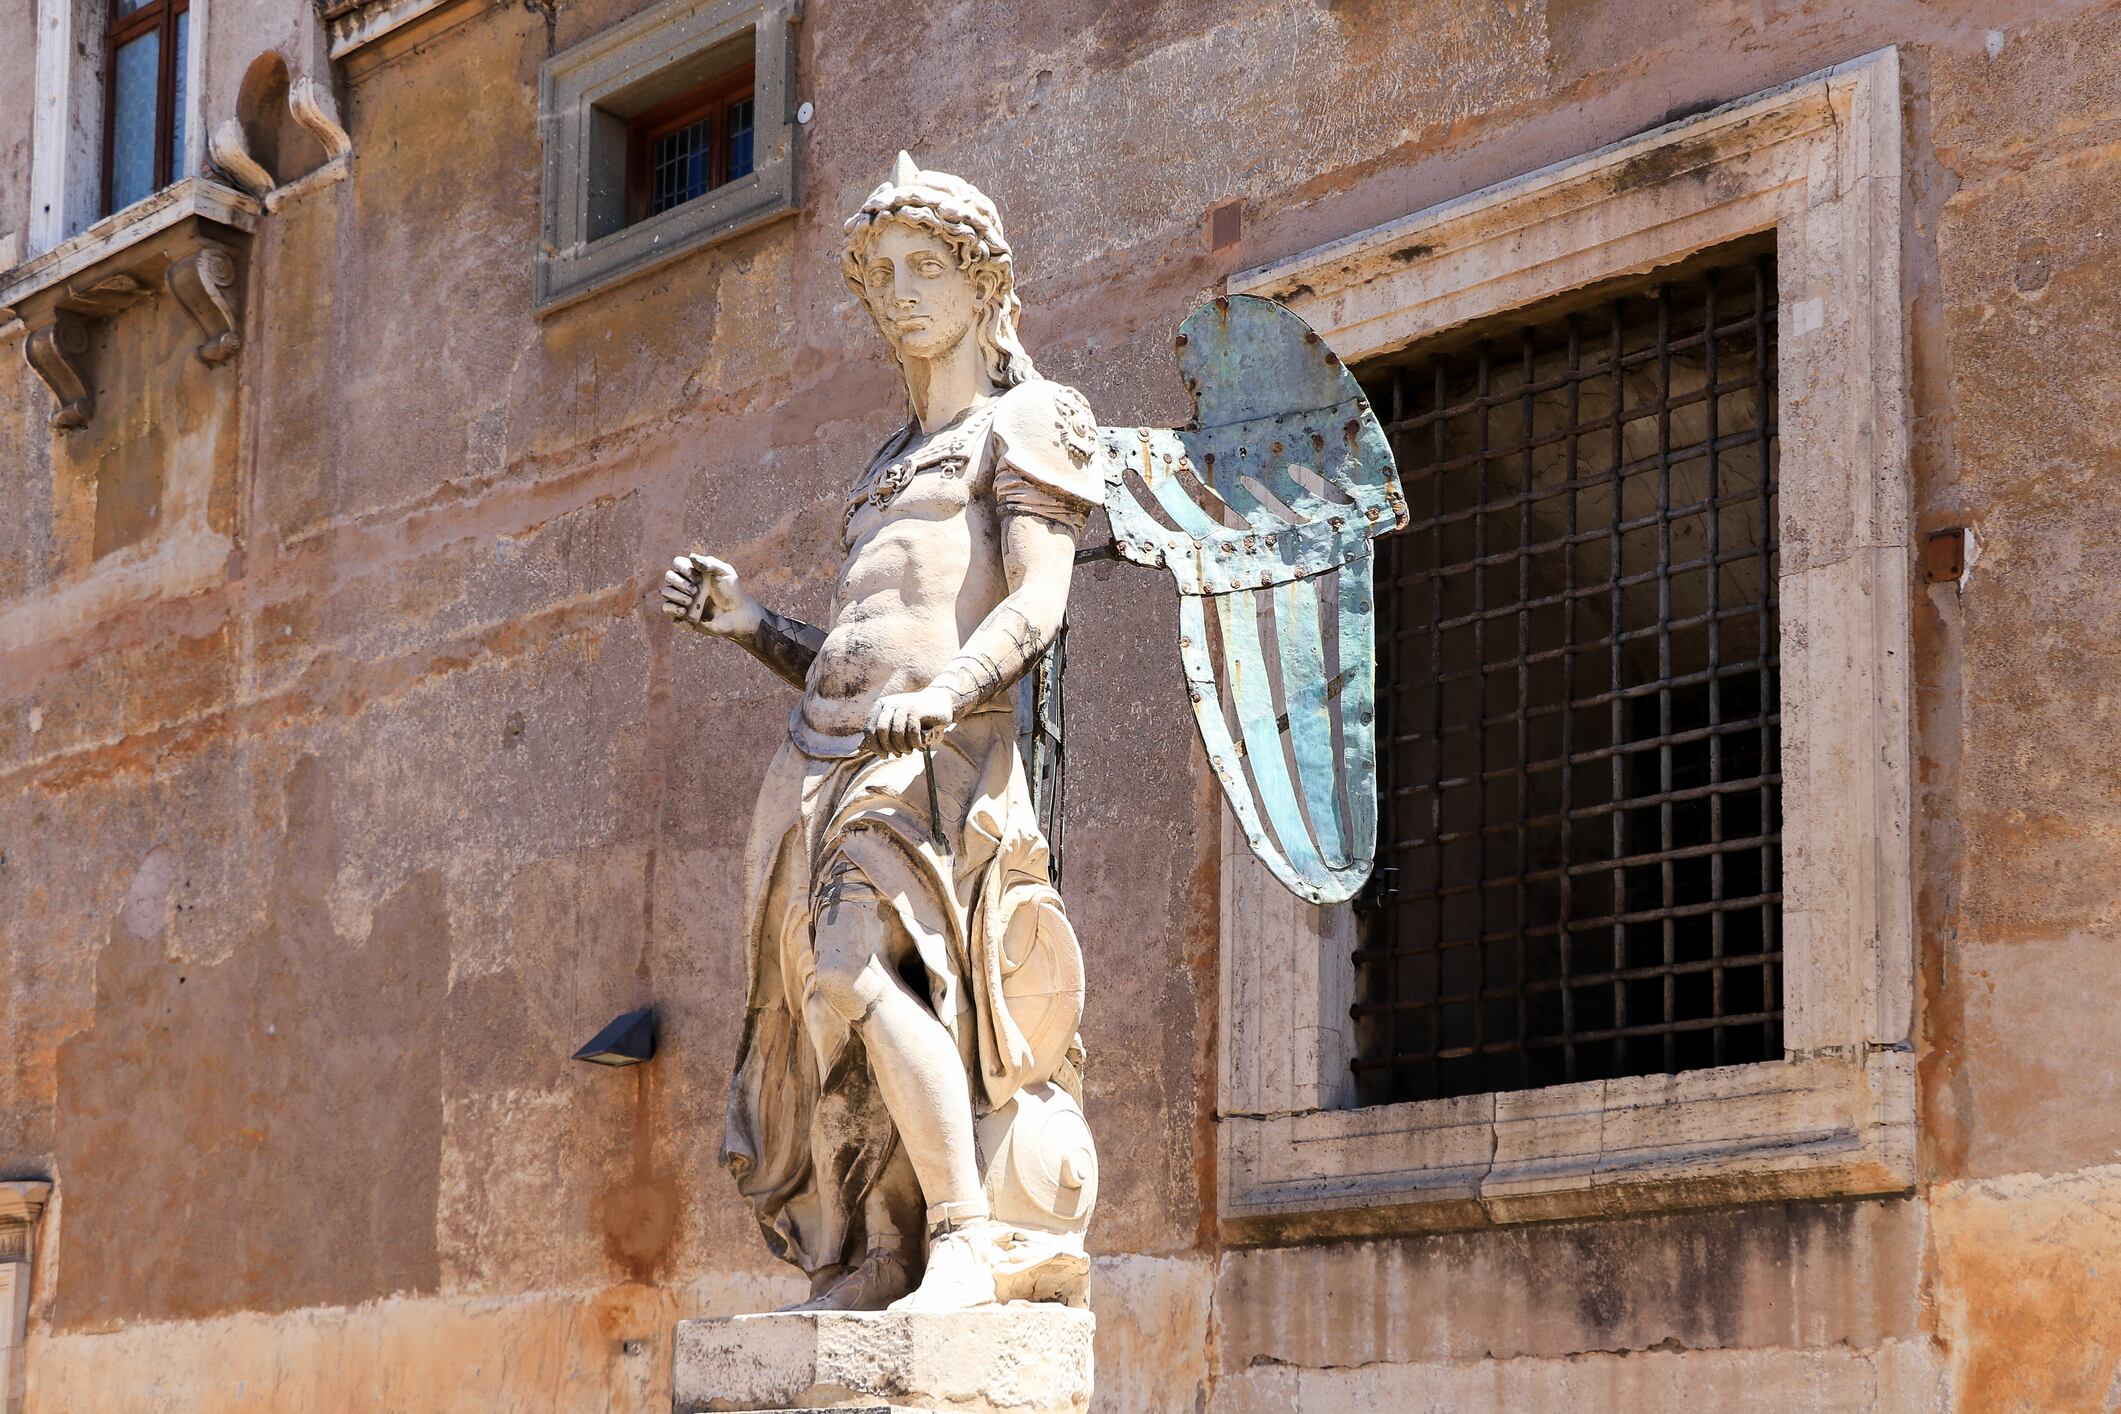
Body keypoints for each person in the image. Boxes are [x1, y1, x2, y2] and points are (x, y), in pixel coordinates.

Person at [661, 153, 1099, 1312]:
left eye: (926, 268)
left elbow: (1037, 603)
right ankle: (869, 1253)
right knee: (819, 1011)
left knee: (855, 968)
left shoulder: (1030, 418)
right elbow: (857, 648)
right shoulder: (886, 464)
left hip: (936, 757)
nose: (901, 294)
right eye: (882, 276)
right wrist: (751, 624)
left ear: (981, 281)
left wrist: (950, 691)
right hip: (823, 752)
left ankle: (969, 1234)